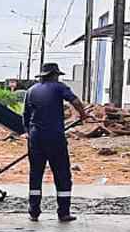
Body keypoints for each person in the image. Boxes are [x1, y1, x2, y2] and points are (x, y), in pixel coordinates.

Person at [23, 63, 88, 222]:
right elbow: (76, 101)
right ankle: (63, 212)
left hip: (35, 137)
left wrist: (29, 133)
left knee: (36, 174)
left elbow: (25, 115)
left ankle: (34, 211)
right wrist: (83, 115)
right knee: (62, 174)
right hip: (54, 137)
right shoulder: (59, 87)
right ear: (54, 75)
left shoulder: (31, 91)